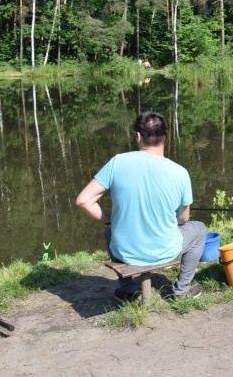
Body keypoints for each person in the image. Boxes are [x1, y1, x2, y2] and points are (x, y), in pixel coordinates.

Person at [75, 111, 206, 302]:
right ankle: (181, 291)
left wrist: (109, 220)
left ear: (137, 135)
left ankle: (129, 290)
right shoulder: (180, 173)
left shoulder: (117, 162)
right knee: (199, 230)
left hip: (125, 250)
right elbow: (183, 219)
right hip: (165, 250)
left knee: (110, 231)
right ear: (165, 137)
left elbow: (84, 201)